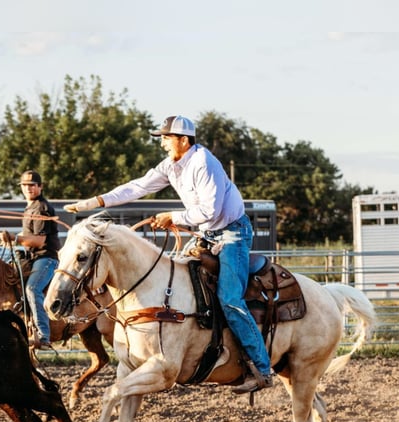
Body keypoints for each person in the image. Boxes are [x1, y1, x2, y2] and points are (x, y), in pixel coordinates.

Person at [65, 115, 274, 394]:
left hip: (231, 234)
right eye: (162, 138)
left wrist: (172, 216)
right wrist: (97, 201)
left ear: (183, 140)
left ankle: (261, 368)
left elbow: (210, 211)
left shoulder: (204, 163)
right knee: (176, 278)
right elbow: (138, 186)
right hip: (207, 234)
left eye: (166, 138)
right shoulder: (173, 165)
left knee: (229, 298)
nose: (162, 143)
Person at [0, 170, 60, 350]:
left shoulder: (42, 207)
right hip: (32, 257)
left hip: (46, 258)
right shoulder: (29, 207)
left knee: (32, 289)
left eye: (32, 185)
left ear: (40, 187)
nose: (29, 188)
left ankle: (43, 336)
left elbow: (40, 240)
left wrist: (15, 238)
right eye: (25, 186)